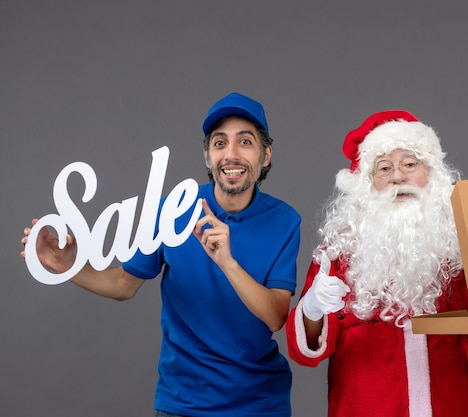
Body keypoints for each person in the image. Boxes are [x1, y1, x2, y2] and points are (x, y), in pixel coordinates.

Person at [21, 92, 301, 417]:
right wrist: (67, 266)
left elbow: (276, 316)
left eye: (245, 142)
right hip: (182, 404)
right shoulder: (172, 208)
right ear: (207, 156)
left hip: (259, 405)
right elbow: (124, 284)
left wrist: (228, 262)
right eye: (220, 143)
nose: (231, 154)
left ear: (265, 155)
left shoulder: (284, 221)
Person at [285, 110, 468, 417]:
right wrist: (312, 310)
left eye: (409, 164)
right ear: (367, 184)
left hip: (450, 407)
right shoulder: (338, 251)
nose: (398, 176)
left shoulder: (459, 246)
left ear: (431, 173)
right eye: (384, 168)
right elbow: (304, 352)